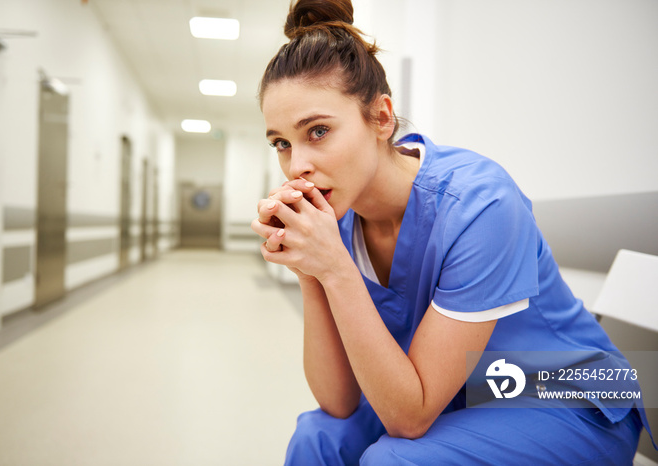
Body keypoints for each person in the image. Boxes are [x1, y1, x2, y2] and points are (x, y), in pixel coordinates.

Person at [251, 0, 655, 464]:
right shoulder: (335, 221)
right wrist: (308, 269)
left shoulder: (481, 203)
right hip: (465, 390)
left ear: (381, 118)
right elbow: (338, 403)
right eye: (281, 143)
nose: (296, 165)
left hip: (563, 390)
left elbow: (409, 418)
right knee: (317, 437)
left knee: (392, 459)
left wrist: (336, 269)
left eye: (318, 131)